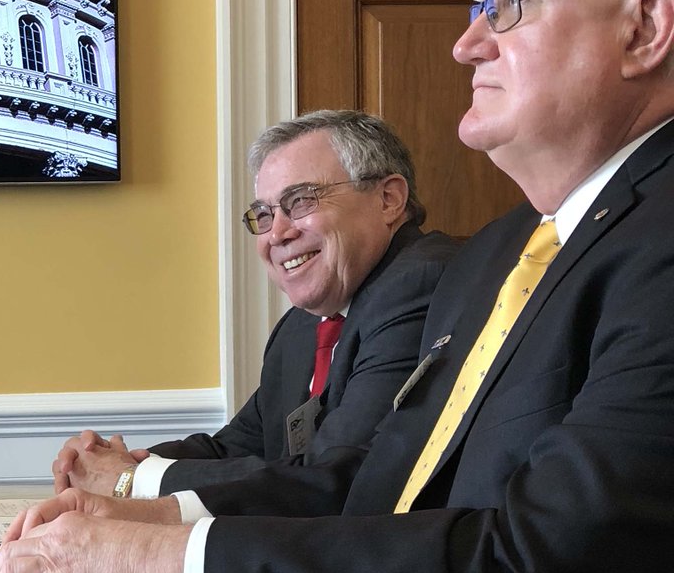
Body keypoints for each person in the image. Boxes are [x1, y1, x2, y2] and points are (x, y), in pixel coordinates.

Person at [0, 0, 674, 573]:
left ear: (645, 28)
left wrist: (167, 559)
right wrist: (149, 517)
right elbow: (373, 496)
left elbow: (541, 570)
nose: (466, 41)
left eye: (511, 3)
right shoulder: (499, 254)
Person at [51, 110, 456, 499]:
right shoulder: (301, 327)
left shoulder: (416, 286)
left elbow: (337, 476)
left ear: (388, 199)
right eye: (263, 214)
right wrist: (114, 462)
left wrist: (132, 480)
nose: (276, 233)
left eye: (300, 201)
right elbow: (240, 449)